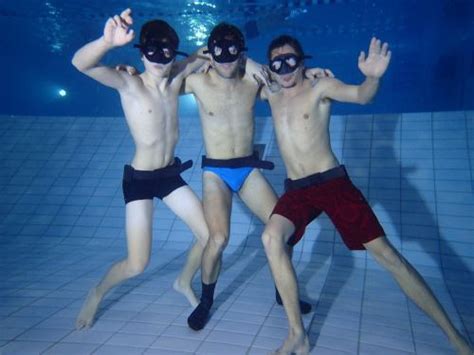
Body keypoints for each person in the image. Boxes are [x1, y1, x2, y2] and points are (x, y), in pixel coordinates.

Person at [259, 35, 473, 355]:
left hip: (331, 182)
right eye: (277, 64)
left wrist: (372, 78)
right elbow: (236, 67)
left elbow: (361, 97)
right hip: (297, 189)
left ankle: (454, 335)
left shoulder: (321, 88)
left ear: (302, 60)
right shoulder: (271, 93)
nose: (285, 69)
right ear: (271, 68)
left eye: (291, 61)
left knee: (387, 255)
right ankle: (297, 335)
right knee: (271, 238)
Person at [182, 23, 334, 331]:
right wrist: (191, 59)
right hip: (216, 172)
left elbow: (285, 79)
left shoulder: (254, 80)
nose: (226, 58)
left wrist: (311, 72)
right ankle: (206, 301)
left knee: (286, 230)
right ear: (211, 53)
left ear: (241, 53)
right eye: (219, 52)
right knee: (219, 238)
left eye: (232, 51)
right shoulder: (196, 82)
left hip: (247, 168)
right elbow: (161, 81)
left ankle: (283, 291)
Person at [71, 8, 210, 329]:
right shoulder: (129, 83)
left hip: (169, 176)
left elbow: (211, 49)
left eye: (166, 51)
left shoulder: (177, 76)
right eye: (152, 51)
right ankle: (97, 292)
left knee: (210, 236)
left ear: (174, 50)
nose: (160, 59)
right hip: (140, 181)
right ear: (141, 52)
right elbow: (81, 64)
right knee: (137, 264)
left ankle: (183, 281)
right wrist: (106, 43)